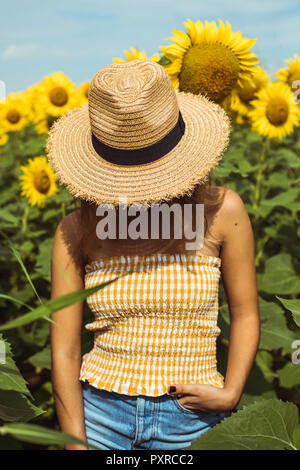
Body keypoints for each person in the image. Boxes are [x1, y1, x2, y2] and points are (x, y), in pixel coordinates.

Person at [47, 60, 260, 450]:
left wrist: (231, 392)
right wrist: (73, 441)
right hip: (99, 416)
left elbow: (246, 313)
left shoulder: (221, 212)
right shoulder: (77, 229)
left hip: (191, 418)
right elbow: (64, 348)